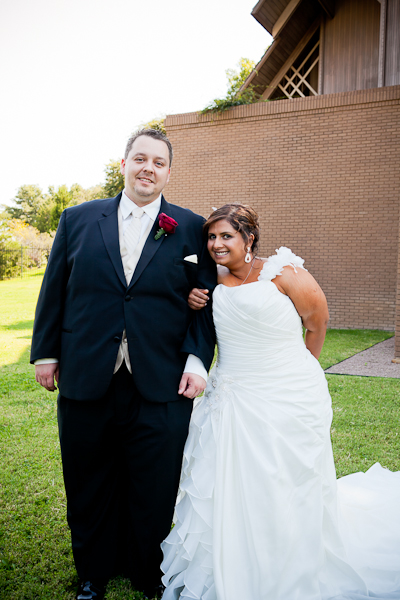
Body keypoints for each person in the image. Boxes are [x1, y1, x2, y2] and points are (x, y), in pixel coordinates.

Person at [161, 203, 400, 600]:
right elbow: (198, 324)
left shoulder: (283, 272)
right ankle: (230, 560)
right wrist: (192, 302)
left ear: (248, 238)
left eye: (226, 236)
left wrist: (302, 370)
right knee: (229, 481)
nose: (216, 244)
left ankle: (290, 558)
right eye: (211, 237)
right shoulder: (209, 280)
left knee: (284, 479)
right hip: (231, 395)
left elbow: (317, 321)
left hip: (287, 391)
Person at [30, 129, 217, 600]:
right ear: (124, 164)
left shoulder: (190, 226)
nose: (148, 168)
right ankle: (93, 572)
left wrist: (196, 360)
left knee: (154, 481)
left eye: (158, 162)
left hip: (163, 377)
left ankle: (145, 571)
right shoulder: (78, 219)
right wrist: (47, 353)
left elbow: (207, 301)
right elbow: (53, 288)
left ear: (169, 172)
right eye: (140, 159)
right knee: (88, 476)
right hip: (87, 370)